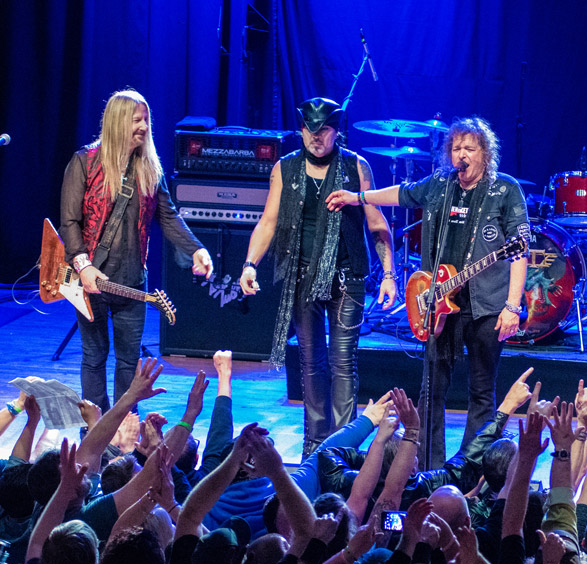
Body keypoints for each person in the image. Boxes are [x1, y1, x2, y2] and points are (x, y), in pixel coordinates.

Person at [326, 116, 529, 468]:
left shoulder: (505, 189)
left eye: (469, 148)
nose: (461, 155)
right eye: (455, 148)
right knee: (431, 390)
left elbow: (521, 249)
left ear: (485, 152)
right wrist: (358, 197)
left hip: (486, 305)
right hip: (437, 302)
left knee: (482, 389)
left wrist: (512, 305)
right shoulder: (440, 184)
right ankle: (430, 468)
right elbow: (402, 194)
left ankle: (470, 467)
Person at [239, 97, 397, 457]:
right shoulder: (285, 168)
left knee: (343, 362)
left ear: (335, 130)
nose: (315, 136)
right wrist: (250, 264)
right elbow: (268, 221)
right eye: (309, 129)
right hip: (301, 277)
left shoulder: (355, 167)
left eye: (322, 129)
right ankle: (314, 448)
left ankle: (343, 448)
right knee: (311, 361)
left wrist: (389, 274)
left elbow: (376, 223)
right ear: (300, 129)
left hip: (346, 278)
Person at [60, 89, 212, 415]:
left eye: (146, 119)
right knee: (94, 354)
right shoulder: (84, 163)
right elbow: (69, 222)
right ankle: (95, 429)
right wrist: (84, 267)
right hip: (91, 280)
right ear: (117, 123)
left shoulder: (150, 169)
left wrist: (196, 249)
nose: (143, 126)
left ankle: (125, 431)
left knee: (129, 360)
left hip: (132, 284)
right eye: (136, 119)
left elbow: (168, 217)